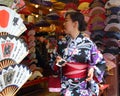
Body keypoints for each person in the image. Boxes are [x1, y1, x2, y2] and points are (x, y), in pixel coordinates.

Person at [50, 11, 106, 96]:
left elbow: (100, 62)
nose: (64, 24)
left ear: (75, 24)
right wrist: (57, 63)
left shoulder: (88, 44)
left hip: (83, 86)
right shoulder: (61, 43)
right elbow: (53, 64)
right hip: (66, 86)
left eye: (66, 21)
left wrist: (92, 69)